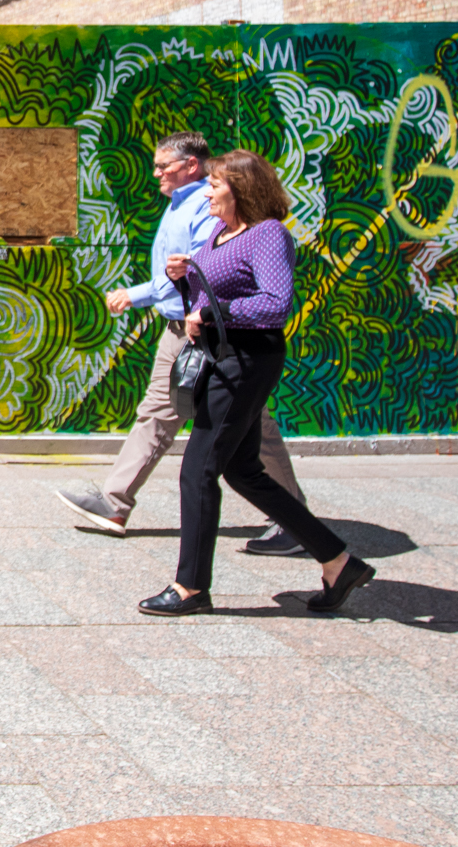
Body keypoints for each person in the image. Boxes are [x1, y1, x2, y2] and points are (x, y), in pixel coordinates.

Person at [137, 150, 373, 617]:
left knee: (197, 468)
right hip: (222, 357)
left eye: (216, 184)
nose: (207, 191)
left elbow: (275, 304)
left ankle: (190, 588)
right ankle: (337, 562)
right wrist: (183, 281)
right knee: (243, 470)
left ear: (240, 189)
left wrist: (211, 311)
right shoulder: (224, 235)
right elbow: (210, 299)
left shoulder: (268, 235)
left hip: (245, 360)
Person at [56, 132, 315, 556]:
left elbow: (263, 297)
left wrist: (158, 293)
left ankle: (120, 506)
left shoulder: (219, 212)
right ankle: (292, 521)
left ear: (194, 166)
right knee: (249, 427)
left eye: (165, 166)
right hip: (193, 328)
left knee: (183, 425)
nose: (156, 173)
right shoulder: (187, 203)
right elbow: (201, 268)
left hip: (208, 335)